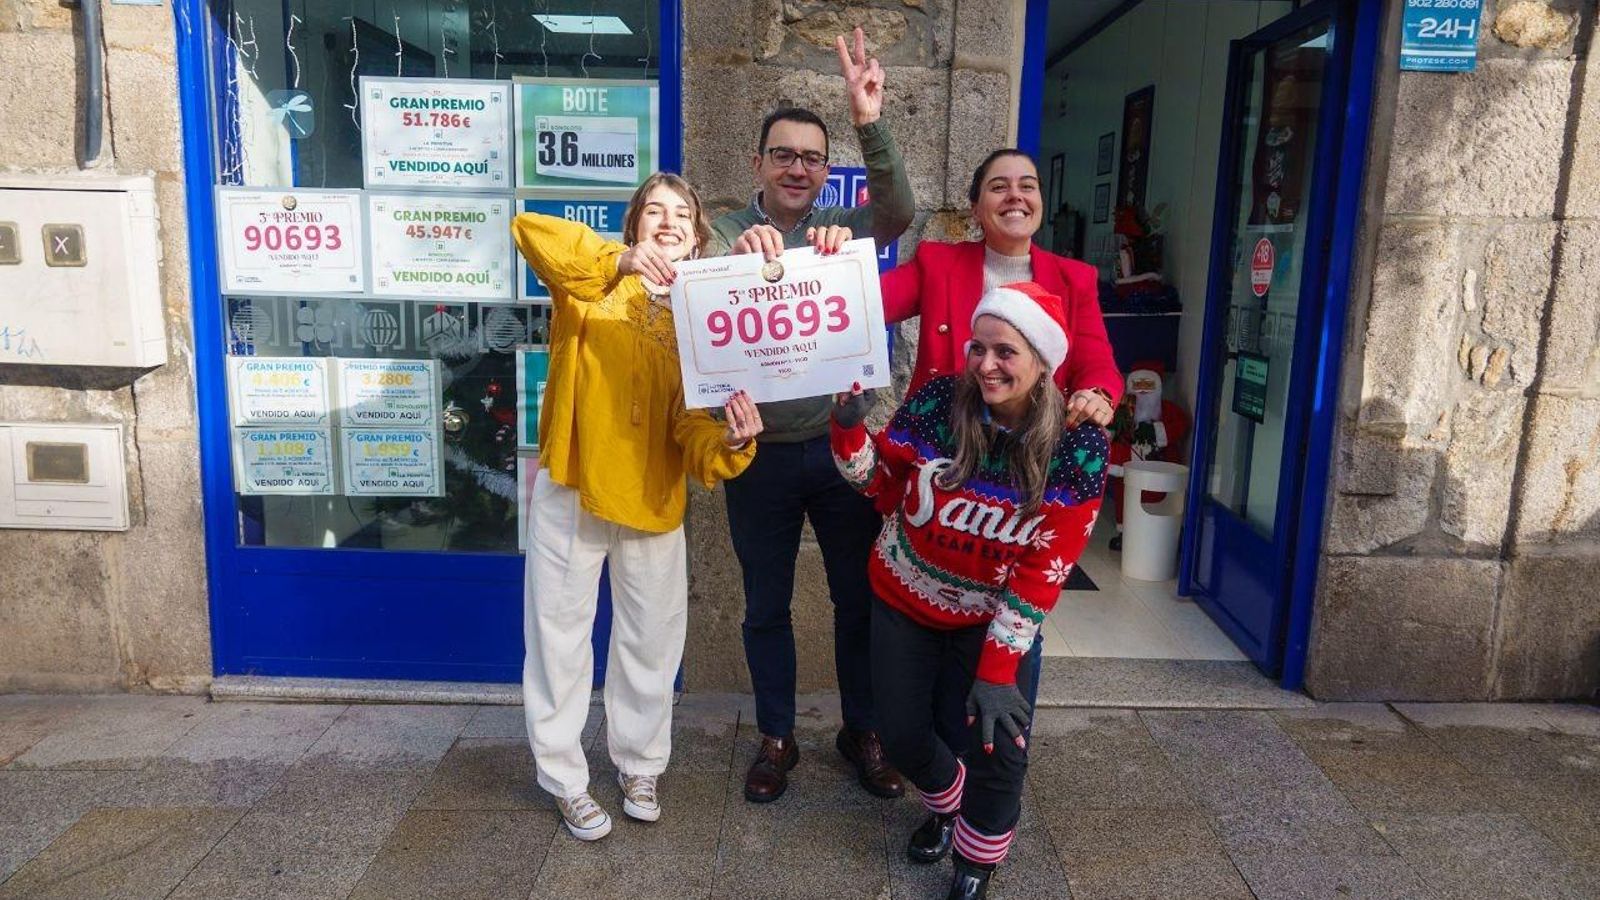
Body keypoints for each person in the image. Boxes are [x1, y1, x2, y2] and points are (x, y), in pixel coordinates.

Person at [829, 282, 1107, 899]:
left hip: (995, 619)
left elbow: (1047, 566)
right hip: (904, 598)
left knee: (997, 745)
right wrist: (849, 432)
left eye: (1005, 352)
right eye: (977, 348)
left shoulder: (1078, 446)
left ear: (1041, 361)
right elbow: (880, 485)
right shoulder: (935, 402)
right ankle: (946, 802)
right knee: (901, 735)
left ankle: (975, 864)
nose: (985, 364)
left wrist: (999, 665)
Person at [512, 172, 766, 841]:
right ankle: (565, 778)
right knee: (559, 641)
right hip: (574, 487)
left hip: (653, 500)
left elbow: (692, 429)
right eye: (653, 211)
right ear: (634, 226)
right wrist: (617, 260)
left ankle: (639, 764)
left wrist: (732, 440)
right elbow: (529, 231)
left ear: (698, 233)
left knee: (651, 643)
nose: (668, 220)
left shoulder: (701, 313)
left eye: (682, 212)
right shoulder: (589, 282)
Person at [709, 27, 917, 804]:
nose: (798, 167)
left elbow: (902, 210)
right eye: (784, 154)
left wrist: (870, 118)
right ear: (759, 164)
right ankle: (776, 736)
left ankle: (862, 730)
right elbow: (695, 279)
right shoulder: (727, 232)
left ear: (826, 171)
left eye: (812, 157)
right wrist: (735, 259)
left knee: (857, 599)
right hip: (757, 457)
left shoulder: (848, 230)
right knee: (765, 605)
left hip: (844, 450)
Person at [1106, 364, 1189, 551]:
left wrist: (1156, 432)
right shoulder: (1123, 410)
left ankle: (1162, 535)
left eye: (1148, 384)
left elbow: (1181, 424)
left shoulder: (1167, 409)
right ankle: (1125, 533)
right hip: (1128, 464)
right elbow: (1111, 430)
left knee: (1159, 498)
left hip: (1158, 463)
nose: (1142, 389)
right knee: (1126, 498)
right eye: (1138, 383)